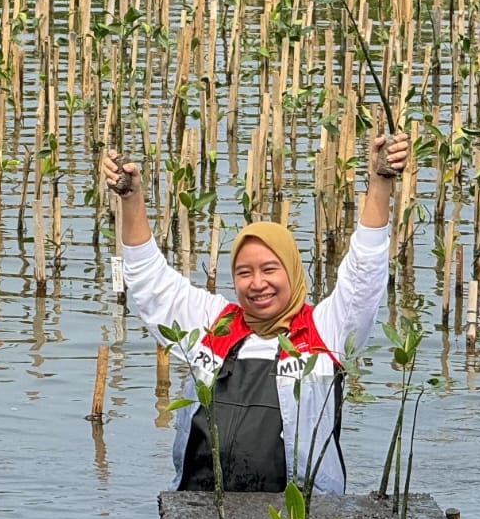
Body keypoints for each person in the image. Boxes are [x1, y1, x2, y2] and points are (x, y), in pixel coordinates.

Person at [100, 133, 410, 495]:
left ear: (292, 271)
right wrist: (131, 199)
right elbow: (149, 281)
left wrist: (380, 182)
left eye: (270, 269)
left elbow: (364, 272)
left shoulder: (327, 330)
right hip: (200, 513)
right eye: (244, 272)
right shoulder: (213, 324)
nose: (257, 283)